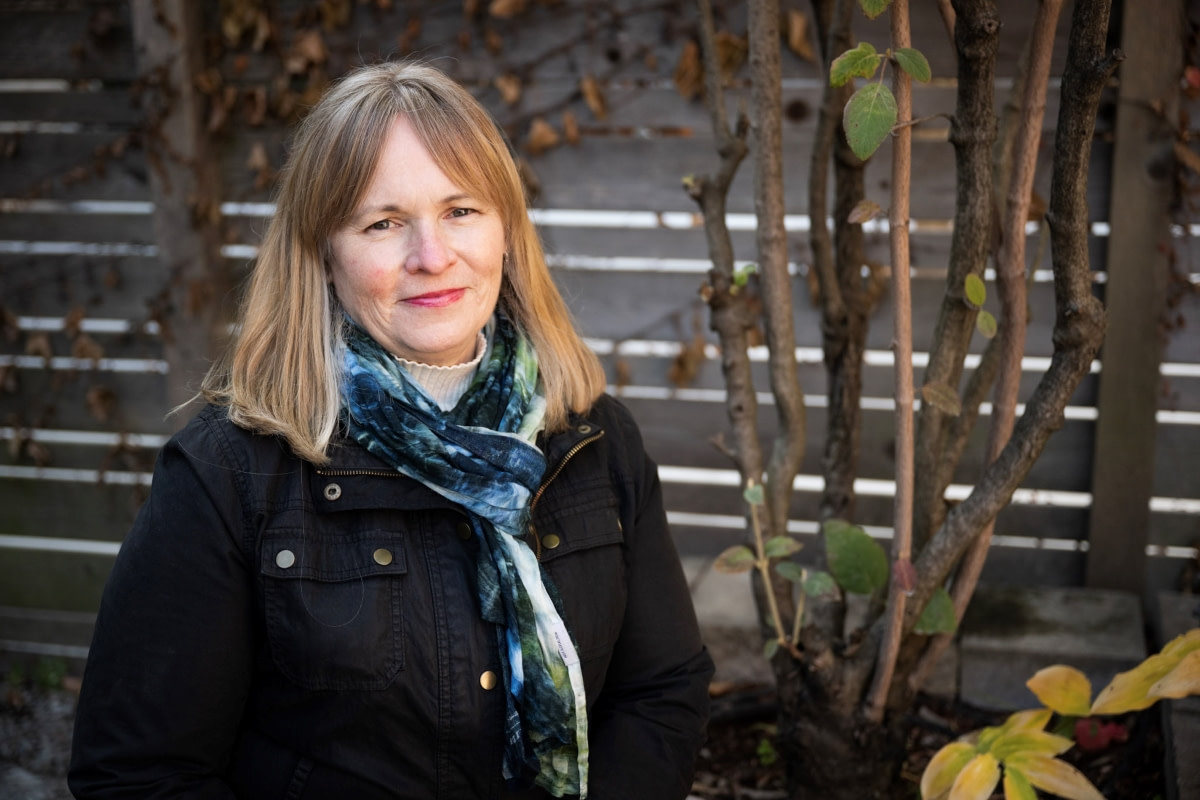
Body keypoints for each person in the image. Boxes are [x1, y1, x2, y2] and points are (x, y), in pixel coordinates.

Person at [68, 61, 713, 799]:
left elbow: (663, 691)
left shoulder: (593, 439)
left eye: (461, 211)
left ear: (506, 230)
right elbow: (138, 775)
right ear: (324, 255)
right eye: (383, 223)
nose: (432, 257)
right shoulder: (229, 473)